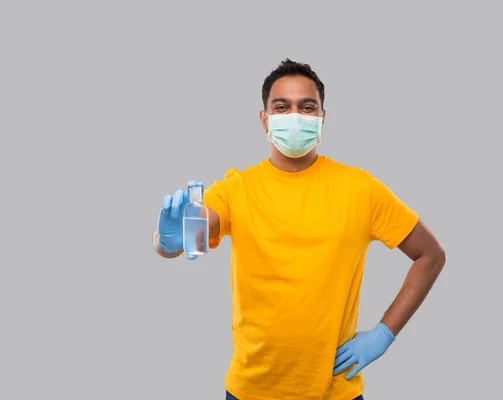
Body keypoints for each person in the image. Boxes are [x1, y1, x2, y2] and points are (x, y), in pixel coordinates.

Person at [152, 59, 447, 400]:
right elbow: (182, 242)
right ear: (265, 120)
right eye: (282, 107)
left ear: (322, 117)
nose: (295, 115)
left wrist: (384, 333)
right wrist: (165, 239)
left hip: (334, 390)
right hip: (250, 390)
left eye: (307, 107)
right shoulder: (236, 189)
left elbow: (430, 255)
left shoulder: (360, 189)